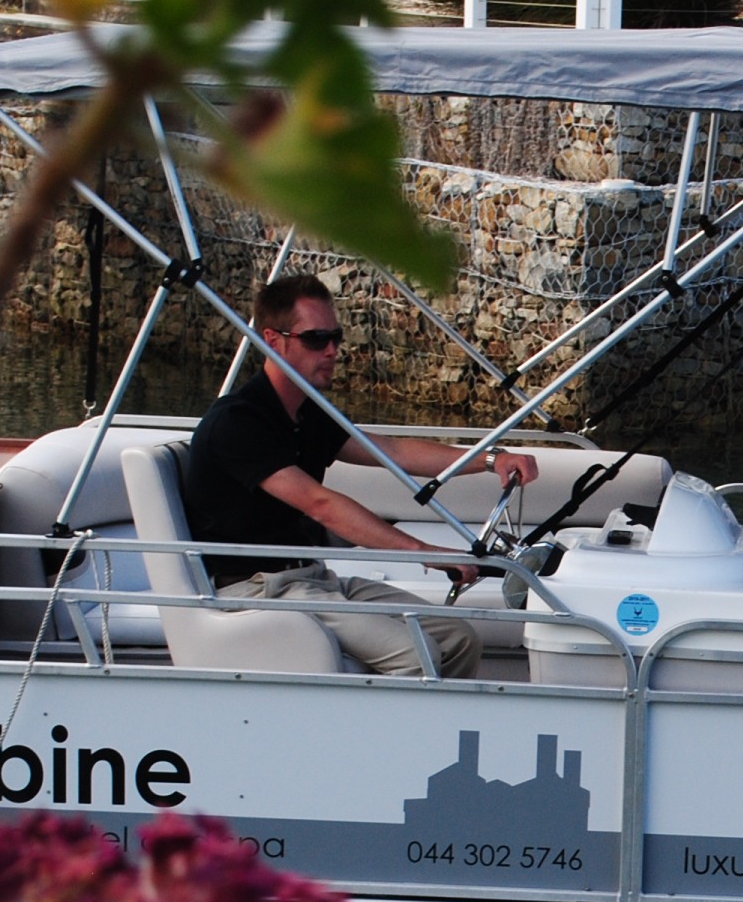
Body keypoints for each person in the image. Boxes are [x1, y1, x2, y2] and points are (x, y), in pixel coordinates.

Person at [181, 272, 537, 676]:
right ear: (272, 339)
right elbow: (321, 506)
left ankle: (431, 737)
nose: (332, 350)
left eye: (337, 338)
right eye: (316, 339)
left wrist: (491, 460)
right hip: (255, 589)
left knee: (457, 639)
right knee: (415, 653)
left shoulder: (306, 411)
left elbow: (392, 451)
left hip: (311, 578)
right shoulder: (239, 421)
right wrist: (426, 554)